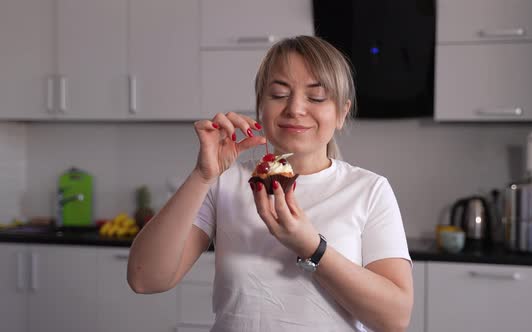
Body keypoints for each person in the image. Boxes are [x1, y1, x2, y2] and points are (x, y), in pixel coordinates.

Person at [127, 35, 413, 332]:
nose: (295, 108)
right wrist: (202, 175)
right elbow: (144, 278)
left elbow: (394, 319)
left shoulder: (369, 190)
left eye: (316, 97)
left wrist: (311, 248)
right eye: (278, 94)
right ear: (260, 106)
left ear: (342, 113)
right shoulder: (226, 183)